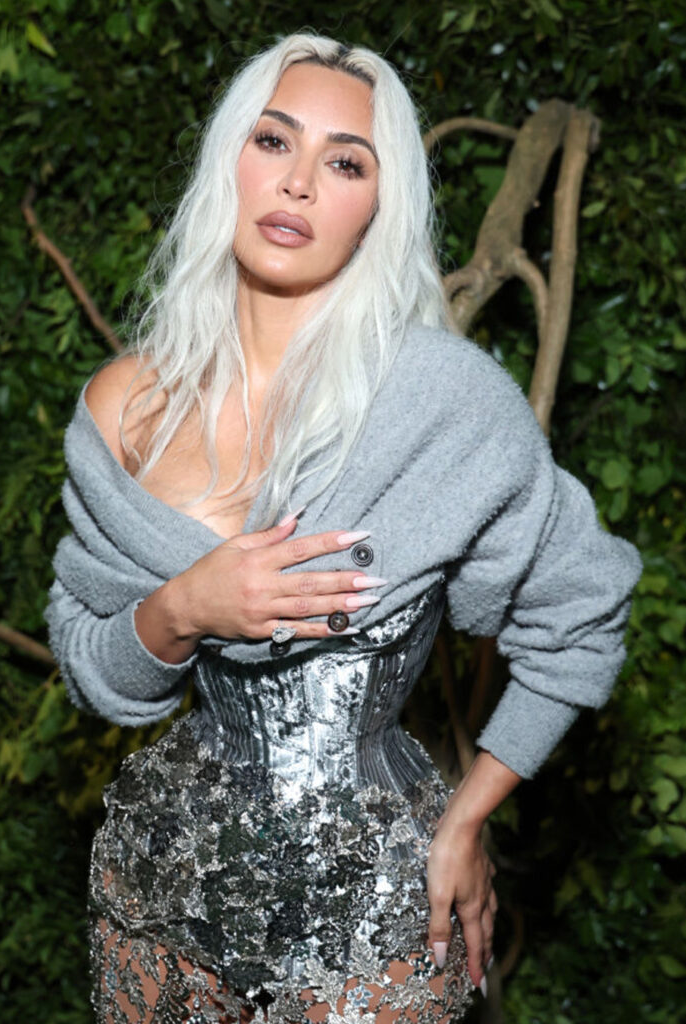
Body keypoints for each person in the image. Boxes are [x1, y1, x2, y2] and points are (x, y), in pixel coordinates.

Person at [45, 33, 642, 1024]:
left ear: (379, 205)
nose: (299, 183)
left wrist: (469, 815)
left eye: (346, 162)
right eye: (274, 140)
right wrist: (183, 607)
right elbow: (92, 666)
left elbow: (579, 618)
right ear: (230, 159)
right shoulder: (126, 405)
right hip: (163, 891)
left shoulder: (443, 404)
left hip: (383, 909)